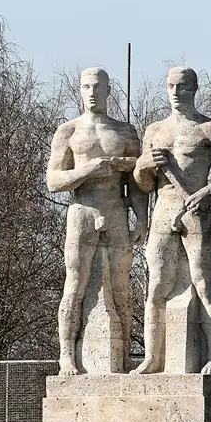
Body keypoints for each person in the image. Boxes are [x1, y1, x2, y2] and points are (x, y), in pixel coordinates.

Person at [131, 67, 211, 375]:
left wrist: (207, 192)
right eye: (170, 86)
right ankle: (153, 357)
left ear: (194, 88)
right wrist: (144, 164)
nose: (176, 92)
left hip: (196, 210)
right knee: (156, 286)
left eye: (182, 86)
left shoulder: (210, 128)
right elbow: (142, 184)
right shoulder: (155, 131)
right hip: (164, 211)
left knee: (204, 281)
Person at [46, 67, 147, 376]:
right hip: (82, 211)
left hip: (116, 211)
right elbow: (53, 180)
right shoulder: (69, 130)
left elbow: (139, 181)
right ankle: (66, 355)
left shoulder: (125, 131)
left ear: (108, 91)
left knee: (121, 288)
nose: (92, 92)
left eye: (98, 87)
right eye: (86, 87)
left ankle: (123, 357)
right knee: (74, 284)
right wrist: (87, 170)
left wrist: (142, 218)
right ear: (80, 90)